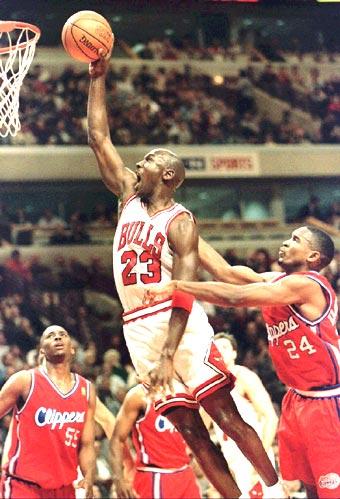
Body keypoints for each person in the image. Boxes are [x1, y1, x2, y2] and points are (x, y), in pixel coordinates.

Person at [87, 49, 278, 498]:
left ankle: (273, 491)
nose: (140, 163)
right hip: (137, 327)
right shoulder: (129, 198)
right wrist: (98, 76)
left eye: (150, 159)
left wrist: (171, 351)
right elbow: (99, 138)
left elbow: (187, 291)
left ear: (168, 174)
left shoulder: (181, 221)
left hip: (177, 322)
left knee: (226, 417)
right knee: (191, 432)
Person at [146, 226, 339, 499]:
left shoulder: (308, 285)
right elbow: (227, 273)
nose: (285, 242)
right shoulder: (276, 281)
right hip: (297, 398)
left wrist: (178, 286)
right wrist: (181, 231)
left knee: (331, 488)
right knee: (310, 486)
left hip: (326, 402)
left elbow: (235, 297)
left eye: (295, 240)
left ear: (313, 257)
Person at [0, 325, 96, 499]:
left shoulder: (87, 389)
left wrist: (89, 476)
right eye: (50, 336)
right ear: (42, 351)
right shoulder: (25, 380)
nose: (57, 338)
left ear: (72, 348)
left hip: (64, 489)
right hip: (23, 486)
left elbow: (87, 444)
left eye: (62, 335)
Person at [208, 332, 285, 498]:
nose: (219, 351)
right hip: (231, 459)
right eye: (215, 348)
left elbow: (270, 417)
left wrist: (259, 458)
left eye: (224, 347)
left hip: (253, 456)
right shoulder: (209, 385)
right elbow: (203, 425)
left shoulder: (244, 377)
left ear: (234, 353)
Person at [110, 383, 202, 499]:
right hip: (156, 475)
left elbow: (197, 426)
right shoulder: (139, 396)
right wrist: (118, 478)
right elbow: (117, 439)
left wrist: (196, 454)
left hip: (185, 472)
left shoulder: (184, 389)